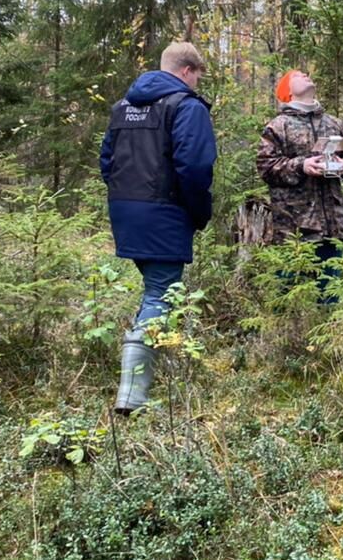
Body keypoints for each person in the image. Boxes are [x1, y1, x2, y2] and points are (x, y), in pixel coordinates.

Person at [100, 42, 216, 414]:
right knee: (161, 294)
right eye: (197, 76)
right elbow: (195, 168)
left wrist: (127, 199)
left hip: (126, 211)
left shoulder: (124, 106)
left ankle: (152, 372)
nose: (197, 83)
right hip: (164, 212)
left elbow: (107, 162)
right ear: (186, 71)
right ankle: (132, 397)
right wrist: (199, 213)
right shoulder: (186, 106)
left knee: (155, 291)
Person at [256, 70, 343, 293]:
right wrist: (301, 166)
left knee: (330, 297)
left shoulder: (334, 124)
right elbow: (265, 167)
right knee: (289, 298)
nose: (305, 75)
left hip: (332, 226)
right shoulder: (278, 126)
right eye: (298, 75)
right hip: (293, 230)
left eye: (306, 74)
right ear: (288, 92)